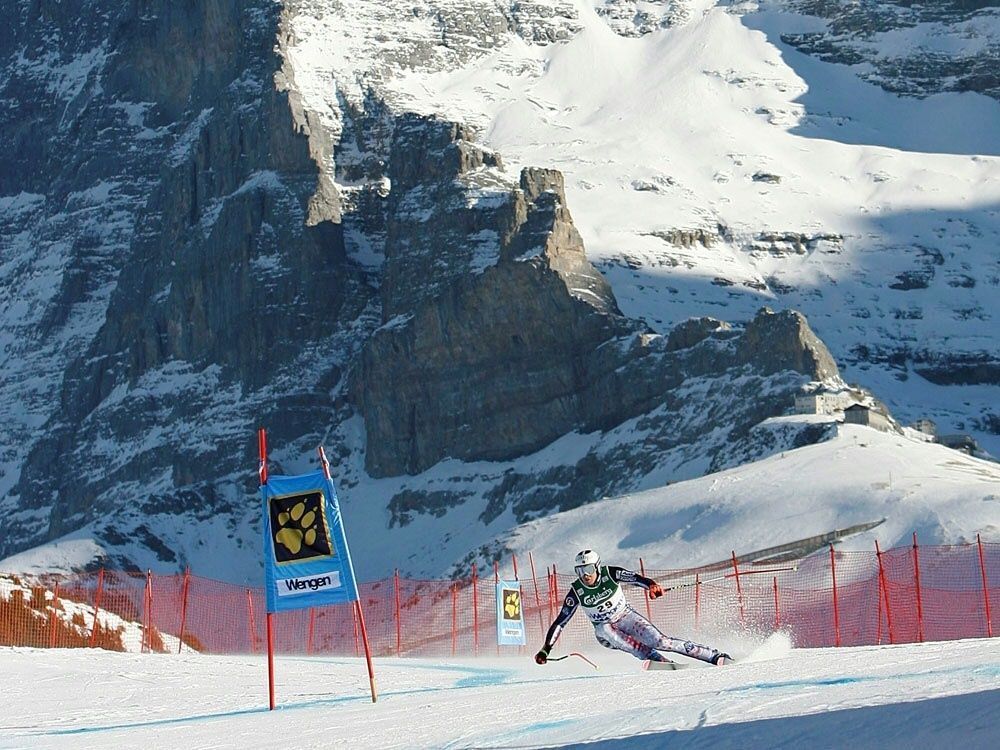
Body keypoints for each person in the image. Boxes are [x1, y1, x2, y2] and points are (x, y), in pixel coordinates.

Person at [534, 549, 731, 667]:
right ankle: (654, 659)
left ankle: (712, 656)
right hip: (607, 633)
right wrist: (546, 649)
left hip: (626, 617)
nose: (585, 575)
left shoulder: (610, 573)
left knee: (661, 641)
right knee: (603, 627)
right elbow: (561, 622)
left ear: (597, 567)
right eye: (580, 571)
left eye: (588, 569)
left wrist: (652, 585)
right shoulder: (577, 591)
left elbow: (637, 579)